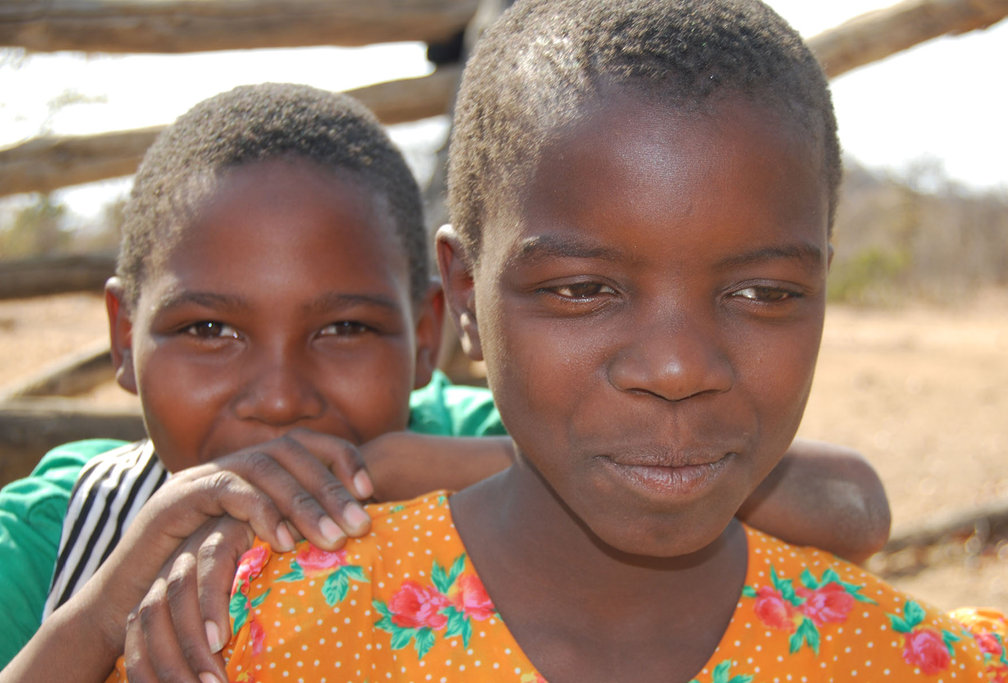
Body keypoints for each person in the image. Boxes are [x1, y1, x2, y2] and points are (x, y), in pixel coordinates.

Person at [106, 1, 1005, 681]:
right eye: (583, 289)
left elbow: (856, 504)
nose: (678, 366)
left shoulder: (912, 659)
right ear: (464, 294)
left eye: (763, 292)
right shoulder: (250, 634)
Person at [0, 77, 882, 683]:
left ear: (425, 334)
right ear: (121, 337)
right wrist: (97, 615)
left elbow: (853, 507)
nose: (277, 393)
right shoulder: (58, 528)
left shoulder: (465, 433)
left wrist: (398, 467)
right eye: (208, 329)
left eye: (344, 327)